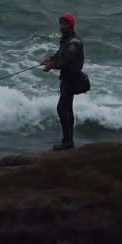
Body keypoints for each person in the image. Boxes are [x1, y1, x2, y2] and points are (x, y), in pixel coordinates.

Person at [42, 13, 84, 150]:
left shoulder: (74, 42)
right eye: (61, 23)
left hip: (71, 78)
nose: (61, 26)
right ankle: (68, 141)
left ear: (70, 25)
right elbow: (60, 54)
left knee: (62, 108)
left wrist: (51, 65)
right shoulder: (66, 40)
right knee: (67, 108)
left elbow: (67, 61)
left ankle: (67, 142)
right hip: (67, 78)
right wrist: (50, 59)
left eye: (65, 24)